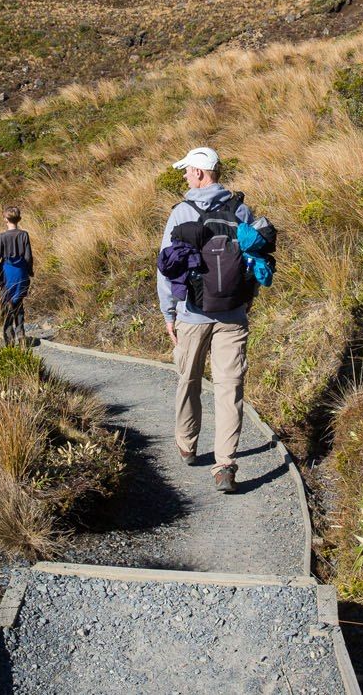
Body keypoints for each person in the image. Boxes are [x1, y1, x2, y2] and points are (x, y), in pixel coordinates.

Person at [157, 146, 255, 493]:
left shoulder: (181, 212)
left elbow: (166, 268)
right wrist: (245, 303)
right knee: (230, 388)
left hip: (192, 314)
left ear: (200, 173)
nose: (184, 176)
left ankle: (187, 443)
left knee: (189, 379)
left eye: (187, 171)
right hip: (233, 313)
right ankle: (225, 465)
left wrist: (168, 312)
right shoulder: (241, 209)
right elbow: (254, 260)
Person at [0, 206, 34, 346]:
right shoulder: (24, 235)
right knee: (19, 304)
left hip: (7, 274)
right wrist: (29, 271)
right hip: (21, 273)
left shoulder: (2, 236)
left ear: (5, 219)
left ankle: (9, 339)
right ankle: (21, 334)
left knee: (6, 305)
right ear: (19, 219)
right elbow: (28, 256)